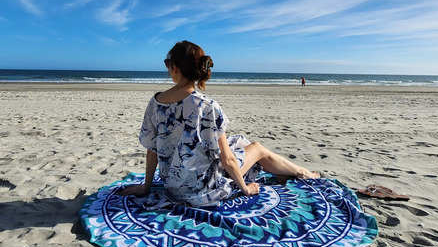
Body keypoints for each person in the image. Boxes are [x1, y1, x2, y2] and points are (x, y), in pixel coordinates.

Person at [119, 40, 319, 205]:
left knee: (239, 142)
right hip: (202, 188)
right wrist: (246, 189)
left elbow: (152, 149)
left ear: (175, 68)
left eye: (167, 63)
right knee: (257, 148)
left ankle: (290, 172)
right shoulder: (206, 106)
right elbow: (227, 160)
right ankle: (302, 172)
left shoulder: (156, 103)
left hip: (172, 185)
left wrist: (146, 186)